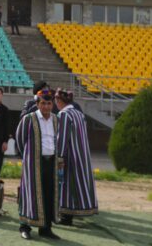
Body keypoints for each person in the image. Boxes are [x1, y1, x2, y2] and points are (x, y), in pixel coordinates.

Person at [16, 88, 60, 240]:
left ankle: (45, 228)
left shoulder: (56, 119)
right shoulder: (29, 119)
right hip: (33, 164)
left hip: (51, 163)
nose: (46, 107)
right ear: (37, 104)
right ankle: (24, 227)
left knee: (48, 195)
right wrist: (28, 158)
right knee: (29, 194)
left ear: (52, 104)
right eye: (43, 103)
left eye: (49, 103)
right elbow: (20, 140)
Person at [54, 88, 97, 226]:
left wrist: (59, 156)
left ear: (59, 101)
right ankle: (75, 211)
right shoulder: (79, 114)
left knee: (66, 185)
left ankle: (66, 216)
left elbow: (62, 138)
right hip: (82, 155)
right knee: (78, 183)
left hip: (70, 156)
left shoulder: (64, 114)